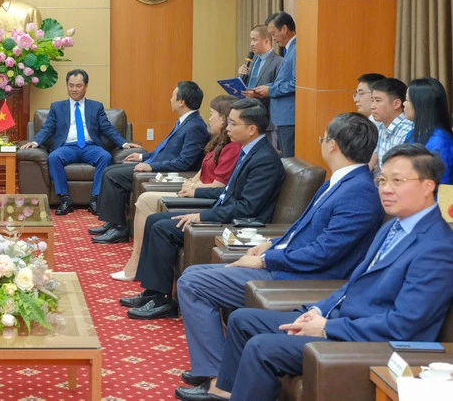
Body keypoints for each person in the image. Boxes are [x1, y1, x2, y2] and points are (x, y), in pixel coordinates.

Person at [177, 144, 453, 401]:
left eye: (398, 181)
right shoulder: (393, 226)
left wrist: (327, 327)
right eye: (382, 180)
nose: (386, 189)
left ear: (428, 186)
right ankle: (226, 392)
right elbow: (352, 284)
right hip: (340, 320)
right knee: (242, 319)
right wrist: (320, 311)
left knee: (262, 347)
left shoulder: (436, 248)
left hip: (371, 340)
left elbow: (404, 325)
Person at [175, 112, 384, 389]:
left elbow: (325, 252)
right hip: (287, 264)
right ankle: (221, 372)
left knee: (193, 282)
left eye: (323, 138)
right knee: (197, 276)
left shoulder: (359, 191)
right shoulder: (339, 182)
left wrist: (265, 260)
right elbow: (303, 229)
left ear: (332, 145)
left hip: (304, 278)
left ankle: (216, 377)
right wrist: (271, 243)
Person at [121, 99, 285, 320]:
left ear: (251, 129)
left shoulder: (265, 160)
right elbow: (228, 192)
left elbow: (246, 208)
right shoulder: (249, 151)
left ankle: (163, 301)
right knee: (155, 220)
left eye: (233, 124)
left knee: (163, 229)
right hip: (224, 211)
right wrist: (197, 193)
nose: (227, 128)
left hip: (239, 225)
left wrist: (201, 215)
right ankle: (152, 292)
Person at [111, 95, 240, 282]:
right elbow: (202, 170)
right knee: (145, 199)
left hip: (204, 198)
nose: (209, 118)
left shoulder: (232, 148)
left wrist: (194, 187)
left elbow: (218, 185)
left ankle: (137, 262)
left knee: (147, 201)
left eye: (212, 114)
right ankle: (136, 260)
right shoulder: (219, 142)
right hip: (195, 190)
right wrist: (192, 182)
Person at [90, 81, 210, 244]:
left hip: (162, 171)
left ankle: (119, 229)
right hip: (155, 165)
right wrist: (141, 157)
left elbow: (184, 163)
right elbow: (164, 150)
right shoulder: (184, 121)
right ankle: (112, 223)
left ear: (182, 101)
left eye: (173, 95)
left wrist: (151, 166)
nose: (170, 99)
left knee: (113, 176)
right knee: (109, 170)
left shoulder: (195, 126)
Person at [20, 69, 142, 215]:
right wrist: (35, 142)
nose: (74, 89)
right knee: (53, 157)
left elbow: (107, 128)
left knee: (106, 157)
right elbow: (47, 128)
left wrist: (124, 143)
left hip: (90, 147)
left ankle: (95, 199)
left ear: (85, 87)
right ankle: (65, 199)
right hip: (67, 147)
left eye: (78, 86)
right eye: (71, 85)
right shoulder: (57, 107)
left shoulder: (96, 107)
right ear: (67, 86)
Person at [244, 11, 296, 157]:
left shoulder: (296, 48)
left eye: (273, 33)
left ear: (284, 29)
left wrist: (270, 90)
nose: (273, 38)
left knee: (288, 160)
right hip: (281, 116)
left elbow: (296, 83)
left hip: (287, 117)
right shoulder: (290, 49)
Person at [403, 77, 453, 184]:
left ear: (421, 105)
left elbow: (442, 184)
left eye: (407, 100)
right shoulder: (411, 134)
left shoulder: (440, 141)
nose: (404, 104)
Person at [369, 77, 413, 172]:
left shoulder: (407, 131)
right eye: (372, 100)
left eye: (378, 100)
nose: (372, 106)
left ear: (396, 104)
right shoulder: (382, 126)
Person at [237, 25, 282, 91]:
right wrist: (241, 74)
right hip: (245, 99)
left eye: (254, 40)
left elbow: (278, 88)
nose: (251, 44)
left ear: (266, 41)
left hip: (262, 100)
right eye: (251, 40)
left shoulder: (279, 62)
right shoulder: (252, 58)